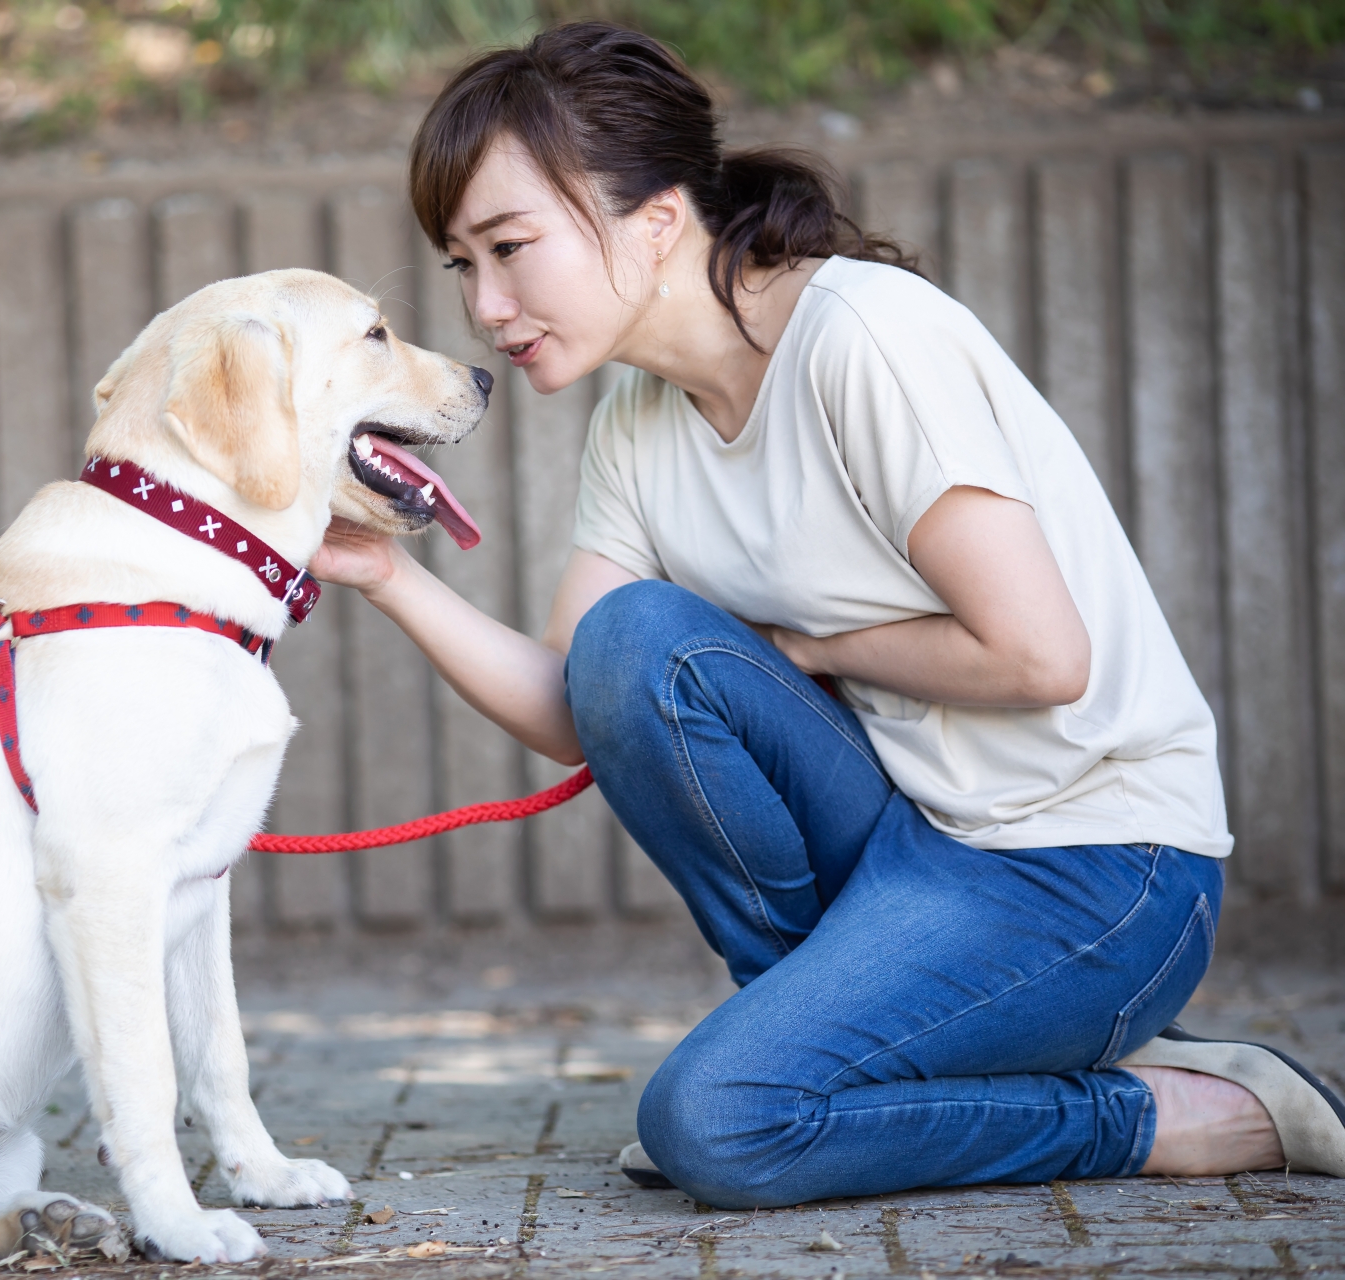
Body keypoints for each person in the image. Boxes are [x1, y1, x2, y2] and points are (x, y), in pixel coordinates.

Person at [308, 21, 1345, 1206]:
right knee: (634, 644)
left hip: (1102, 868)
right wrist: (389, 573)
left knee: (715, 1126)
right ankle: (827, 1063)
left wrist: (810, 651)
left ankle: (1167, 1111)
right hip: (918, 844)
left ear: (655, 220)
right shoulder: (637, 426)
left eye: (510, 246)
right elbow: (576, 705)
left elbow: (1043, 654)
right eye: (460, 265)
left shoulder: (863, 338)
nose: (486, 305)